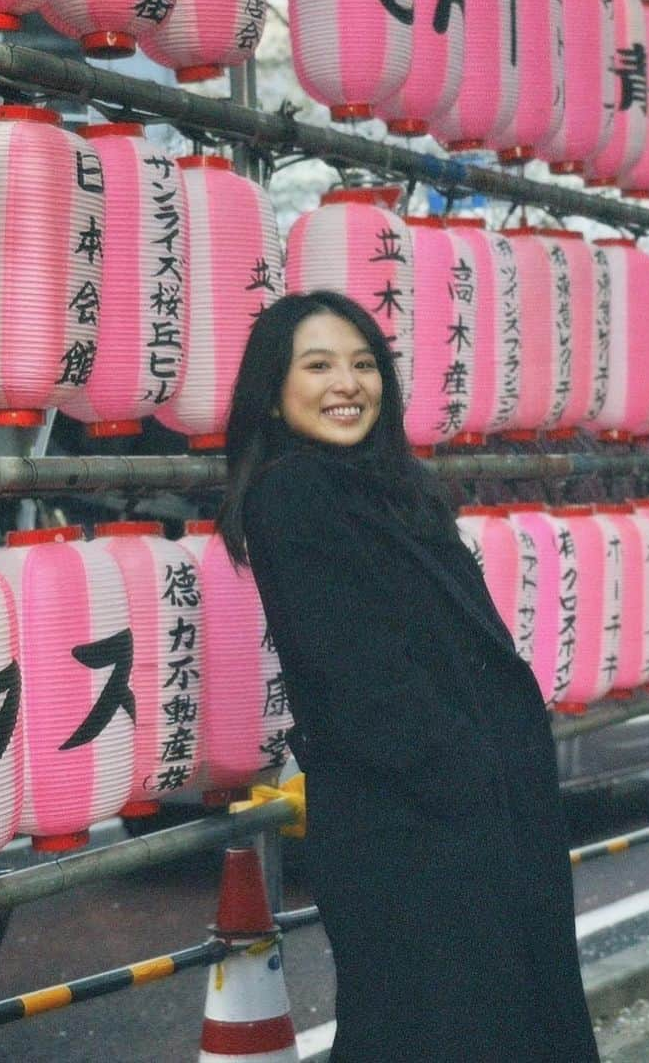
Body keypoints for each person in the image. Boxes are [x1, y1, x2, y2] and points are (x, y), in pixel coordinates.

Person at [218, 290, 600, 1062]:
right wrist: (463, 770)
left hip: (475, 820)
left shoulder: (396, 487)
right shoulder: (292, 493)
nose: (346, 384)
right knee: (432, 1028)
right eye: (318, 365)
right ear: (273, 391)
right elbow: (354, 677)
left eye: (364, 364)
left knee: (486, 1024)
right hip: (410, 829)